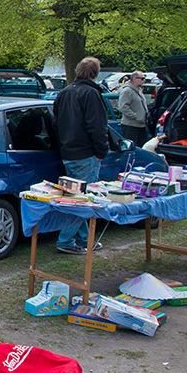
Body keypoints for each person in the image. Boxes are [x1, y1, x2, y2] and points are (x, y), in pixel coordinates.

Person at [52, 57, 109, 255]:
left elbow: (56, 123)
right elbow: (97, 126)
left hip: (68, 151)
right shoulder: (91, 94)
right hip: (85, 153)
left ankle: (85, 239)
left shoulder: (64, 93)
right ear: (95, 73)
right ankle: (66, 239)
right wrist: (102, 151)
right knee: (82, 201)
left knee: (78, 197)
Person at [118, 71, 149, 147]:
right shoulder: (127, 91)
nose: (143, 80)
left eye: (144, 78)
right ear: (134, 79)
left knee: (142, 147)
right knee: (131, 148)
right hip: (130, 126)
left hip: (141, 125)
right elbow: (123, 107)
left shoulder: (139, 90)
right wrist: (136, 117)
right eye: (142, 78)